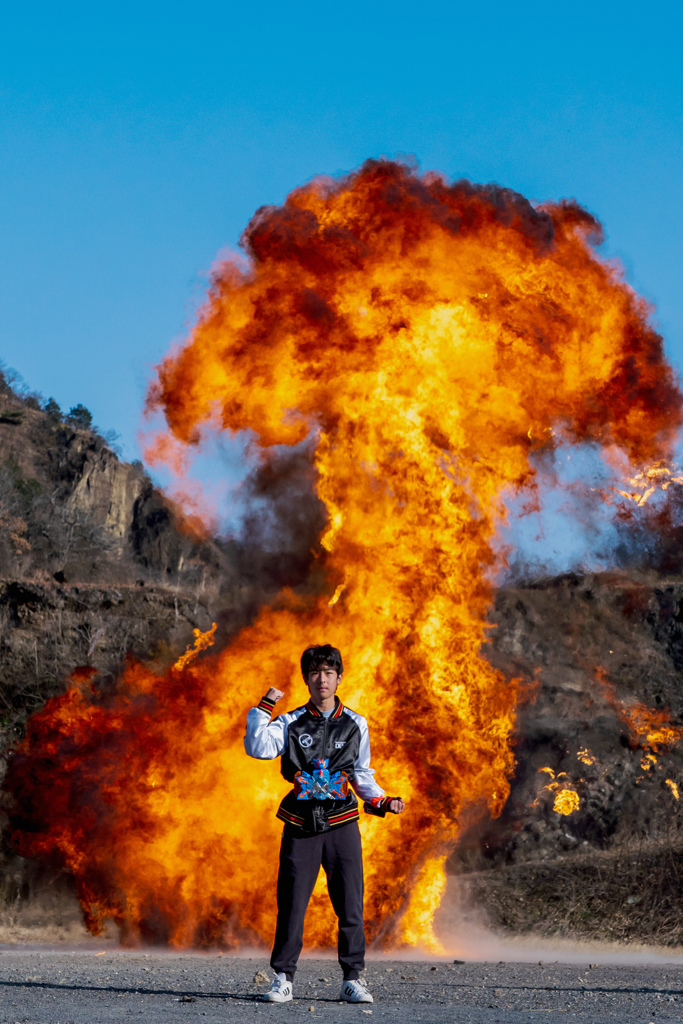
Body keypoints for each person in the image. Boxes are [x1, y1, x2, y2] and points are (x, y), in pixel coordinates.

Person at [244, 643, 405, 1004]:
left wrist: (381, 800)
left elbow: (362, 775)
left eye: (329, 673)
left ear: (339, 677)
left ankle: (353, 978)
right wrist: (265, 706)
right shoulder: (289, 722)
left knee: (350, 904)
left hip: (342, 823)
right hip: (300, 825)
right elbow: (257, 747)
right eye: (315, 672)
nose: (322, 679)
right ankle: (283, 978)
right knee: (292, 904)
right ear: (306, 678)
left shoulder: (356, 724)